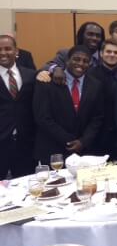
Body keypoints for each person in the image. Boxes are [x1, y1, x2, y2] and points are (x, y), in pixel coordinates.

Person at [33, 45, 104, 163]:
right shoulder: (47, 81)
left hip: (83, 151)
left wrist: (83, 141)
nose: (81, 64)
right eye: (76, 59)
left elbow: (97, 118)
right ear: (67, 60)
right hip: (53, 150)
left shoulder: (95, 85)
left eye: (85, 61)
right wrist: (69, 140)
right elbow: (42, 118)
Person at [0, 34, 36, 178]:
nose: (3, 53)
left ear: (16, 51)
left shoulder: (31, 75)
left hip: (26, 142)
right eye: (0, 49)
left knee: (26, 185)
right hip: (1, 142)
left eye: (8, 49)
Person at [87, 39, 117, 159]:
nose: (112, 55)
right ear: (101, 53)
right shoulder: (89, 75)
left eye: (116, 52)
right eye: (108, 51)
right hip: (97, 135)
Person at [39, 22, 104, 84]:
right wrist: (56, 69)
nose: (94, 38)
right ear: (81, 36)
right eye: (90, 34)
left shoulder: (106, 57)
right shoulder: (66, 53)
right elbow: (46, 67)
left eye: (98, 36)